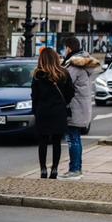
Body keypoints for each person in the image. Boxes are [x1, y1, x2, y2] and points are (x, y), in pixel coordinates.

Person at [59, 36, 100, 180]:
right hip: (81, 107)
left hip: (74, 108)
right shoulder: (83, 64)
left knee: (72, 139)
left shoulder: (74, 65)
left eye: (65, 49)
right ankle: (77, 168)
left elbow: (64, 82)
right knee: (75, 138)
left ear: (68, 49)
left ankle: (74, 169)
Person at [31, 47, 75, 179]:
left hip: (43, 111)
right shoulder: (63, 73)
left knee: (43, 141)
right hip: (58, 111)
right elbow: (71, 92)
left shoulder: (38, 75)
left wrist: (36, 110)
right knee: (56, 141)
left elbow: (34, 95)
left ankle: (43, 169)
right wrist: (63, 103)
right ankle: (54, 169)